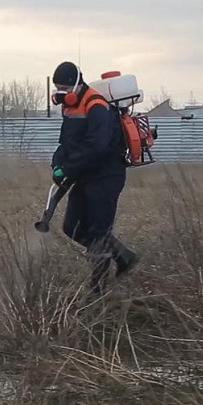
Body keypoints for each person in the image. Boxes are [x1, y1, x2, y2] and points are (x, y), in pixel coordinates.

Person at [49, 62, 138, 295]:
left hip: (106, 175)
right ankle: (124, 257)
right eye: (58, 88)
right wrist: (58, 163)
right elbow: (66, 142)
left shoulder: (96, 105)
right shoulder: (69, 108)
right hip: (84, 174)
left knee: (99, 233)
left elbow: (96, 147)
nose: (62, 93)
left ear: (77, 84)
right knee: (72, 227)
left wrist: (68, 168)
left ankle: (96, 291)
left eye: (65, 88)